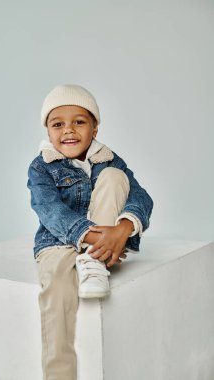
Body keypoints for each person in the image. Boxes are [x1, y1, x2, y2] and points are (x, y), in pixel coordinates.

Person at [27, 84, 153, 380]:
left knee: (114, 177)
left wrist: (122, 229)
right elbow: (49, 211)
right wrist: (99, 238)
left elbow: (141, 197)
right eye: (58, 124)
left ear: (95, 128)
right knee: (57, 293)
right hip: (57, 240)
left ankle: (94, 261)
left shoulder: (109, 159)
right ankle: (59, 375)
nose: (68, 130)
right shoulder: (41, 167)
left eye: (79, 122)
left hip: (106, 239)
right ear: (48, 132)